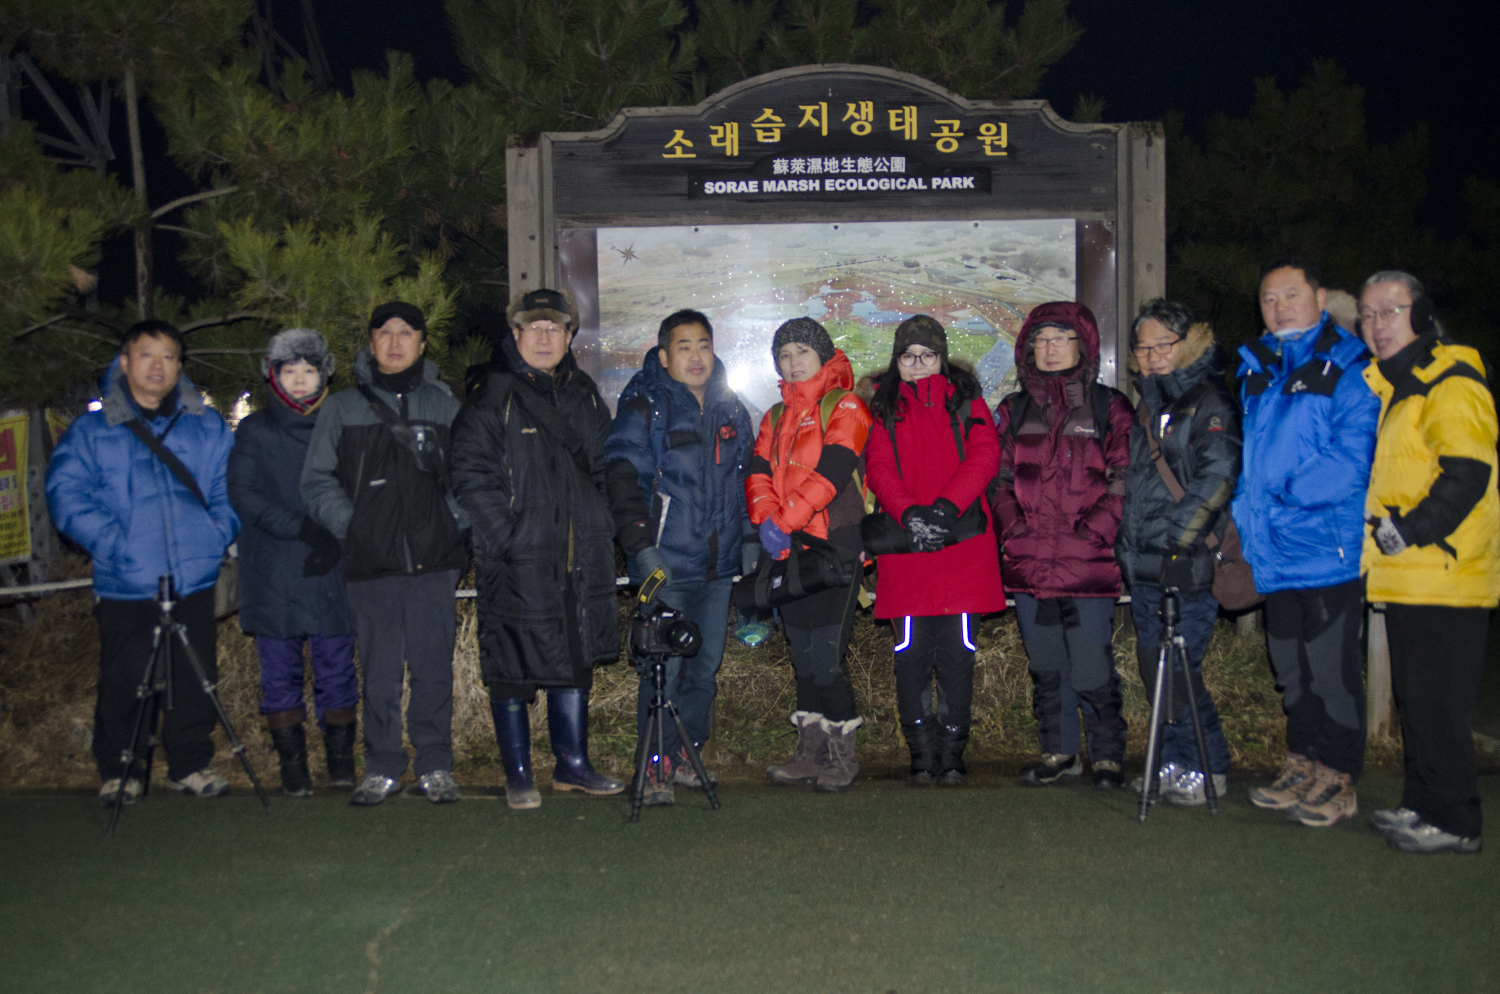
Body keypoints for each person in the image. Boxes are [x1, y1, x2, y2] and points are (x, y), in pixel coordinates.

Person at [46, 320, 240, 804]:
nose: (158, 366)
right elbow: (66, 495)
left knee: (194, 674)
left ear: (180, 366)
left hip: (193, 574)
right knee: (125, 677)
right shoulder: (93, 431)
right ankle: (121, 770)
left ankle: (189, 764)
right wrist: (116, 545)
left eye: (168, 356)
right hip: (127, 579)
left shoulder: (206, 425)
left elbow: (230, 488)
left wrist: (215, 536)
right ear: (125, 362)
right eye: (147, 355)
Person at [450, 289, 624, 810]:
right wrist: (510, 538)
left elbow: (607, 465)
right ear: (516, 333)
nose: (544, 337)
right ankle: (519, 773)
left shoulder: (584, 393)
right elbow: (470, 473)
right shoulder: (492, 394)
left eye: (555, 328)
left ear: (570, 335)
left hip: (579, 558)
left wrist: (604, 524)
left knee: (575, 655)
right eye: (534, 327)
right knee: (511, 665)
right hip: (516, 561)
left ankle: (573, 764)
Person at [301, 301, 467, 806]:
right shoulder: (342, 407)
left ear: (422, 344)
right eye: (385, 333)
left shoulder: (446, 407)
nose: (395, 342)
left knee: (433, 667)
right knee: (378, 671)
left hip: (433, 561)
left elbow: (473, 477)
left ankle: (435, 763)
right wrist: (354, 527)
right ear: (370, 343)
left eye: (406, 333)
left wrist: (448, 523)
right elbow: (316, 481)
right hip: (370, 560)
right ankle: (382, 764)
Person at [1235, 256, 1380, 827]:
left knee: (1331, 673)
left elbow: (1351, 457)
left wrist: (1283, 494)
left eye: (1291, 295)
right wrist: (1247, 511)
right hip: (1274, 550)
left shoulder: (1348, 364)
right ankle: (1302, 761)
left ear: (1320, 299)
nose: (1279, 307)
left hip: (1325, 549)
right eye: (1269, 298)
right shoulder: (1259, 365)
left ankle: (1339, 775)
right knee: (1290, 670)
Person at [1358, 271, 1498, 854]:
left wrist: (1411, 530)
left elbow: (1467, 472)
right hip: (1411, 576)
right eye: (1367, 314)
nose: (1376, 324)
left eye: (1389, 311)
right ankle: (1421, 803)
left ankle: (1456, 821)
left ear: (1420, 313)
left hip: (1447, 573)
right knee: (1416, 700)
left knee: (1440, 703)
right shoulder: (1397, 385)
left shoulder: (1451, 379)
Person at [604, 310, 754, 806]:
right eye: (684, 346)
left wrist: (750, 542)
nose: (696, 356)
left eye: (704, 345)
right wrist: (641, 548)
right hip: (665, 568)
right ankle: (654, 765)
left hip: (718, 569)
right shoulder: (646, 407)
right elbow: (623, 480)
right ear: (665, 356)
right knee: (661, 669)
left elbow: (746, 482)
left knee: (703, 670)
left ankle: (687, 752)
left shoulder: (731, 410)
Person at [993, 303, 1134, 789]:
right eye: (1041, 340)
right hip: (1029, 562)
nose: (1050, 349)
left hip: (1088, 564)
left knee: (1092, 665)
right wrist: (1014, 530)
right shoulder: (1014, 409)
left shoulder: (1109, 406)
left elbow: (1123, 477)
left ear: (1083, 346)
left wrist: (1093, 533)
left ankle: (1108, 756)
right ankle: (1059, 752)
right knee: (1047, 665)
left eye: (1061, 339)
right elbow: (998, 479)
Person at [865, 315, 1004, 786]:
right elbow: (879, 468)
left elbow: (985, 455)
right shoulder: (884, 408)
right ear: (896, 361)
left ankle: (953, 750)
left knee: (959, 656)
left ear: (942, 358)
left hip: (962, 548)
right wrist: (910, 514)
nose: (918, 364)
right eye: (908, 356)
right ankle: (921, 752)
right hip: (909, 552)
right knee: (910, 657)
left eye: (928, 355)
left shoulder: (967, 402)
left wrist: (945, 508)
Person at [1116, 300, 1241, 804]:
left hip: (1186, 558)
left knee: (1182, 670)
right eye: (1143, 348)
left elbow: (1217, 477)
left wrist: (1178, 542)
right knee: (1156, 667)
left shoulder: (1210, 401)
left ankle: (1208, 767)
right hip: (1145, 559)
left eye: (1162, 345)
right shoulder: (1151, 405)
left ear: (1189, 344)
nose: (1151, 356)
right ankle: (1169, 759)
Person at [227, 328, 358, 796]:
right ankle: (293, 764)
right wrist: (301, 527)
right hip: (274, 565)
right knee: (278, 672)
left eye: (309, 370)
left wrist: (338, 529)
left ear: (325, 374)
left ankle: (340, 760)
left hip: (333, 562)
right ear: (273, 375)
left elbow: (359, 488)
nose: (300, 379)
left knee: (337, 666)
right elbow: (244, 494)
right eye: (289, 370)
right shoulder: (256, 430)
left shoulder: (343, 423)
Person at [748, 317, 873, 792]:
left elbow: (833, 472)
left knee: (825, 657)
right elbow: (757, 473)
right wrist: (766, 520)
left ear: (823, 354)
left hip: (835, 545)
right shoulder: (774, 416)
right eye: (784, 354)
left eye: (802, 350)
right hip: (788, 550)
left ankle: (843, 756)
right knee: (801, 655)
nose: (793, 361)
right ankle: (810, 752)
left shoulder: (845, 405)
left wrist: (783, 521)